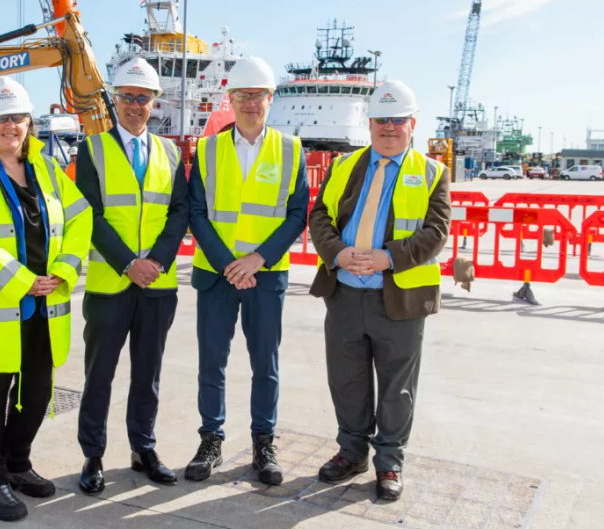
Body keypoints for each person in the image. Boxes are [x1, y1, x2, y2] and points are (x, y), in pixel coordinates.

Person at [0, 77, 92, 521]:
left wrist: (63, 271)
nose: (11, 126)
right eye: (1, 118)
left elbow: (80, 218)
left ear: (30, 123)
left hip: (42, 309)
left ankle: (17, 465)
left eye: (19, 118)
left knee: (36, 394)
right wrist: (20, 280)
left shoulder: (46, 170)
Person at [307, 80, 451, 501]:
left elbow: (437, 231)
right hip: (346, 292)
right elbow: (320, 216)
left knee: (396, 387)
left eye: (398, 121)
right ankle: (351, 452)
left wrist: (390, 257)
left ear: (413, 125)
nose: (389, 128)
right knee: (347, 380)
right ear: (369, 123)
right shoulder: (345, 166)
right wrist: (337, 252)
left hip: (399, 299)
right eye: (382, 120)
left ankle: (389, 463)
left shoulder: (431, 172)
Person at [184, 56, 309, 486]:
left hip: (266, 275)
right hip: (217, 275)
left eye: (258, 95)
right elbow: (196, 212)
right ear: (230, 99)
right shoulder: (207, 148)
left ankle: (263, 442)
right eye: (242, 96)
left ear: (270, 99)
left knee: (265, 364)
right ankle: (211, 440)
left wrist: (258, 259)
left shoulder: (291, 150)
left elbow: (297, 214)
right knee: (212, 363)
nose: (250, 103)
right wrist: (228, 264)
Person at [75, 58, 189, 493]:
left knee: (148, 374)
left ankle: (143, 448)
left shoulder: (171, 153)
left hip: (157, 286)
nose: (135, 105)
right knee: (98, 375)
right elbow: (92, 215)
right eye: (127, 97)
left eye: (143, 98)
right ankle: (93, 455)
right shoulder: (92, 150)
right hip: (110, 284)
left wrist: (155, 261)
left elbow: (179, 213)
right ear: (115, 100)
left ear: (154, 102)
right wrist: (129, 263)